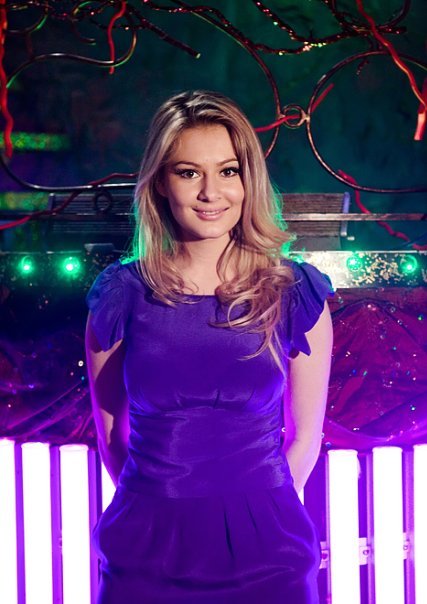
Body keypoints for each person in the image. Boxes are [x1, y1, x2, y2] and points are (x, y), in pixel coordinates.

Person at [85, 90, 334, 604]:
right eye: (188, 172)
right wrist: (155, 505)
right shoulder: (120, 294)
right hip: (146, 549)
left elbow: (306, 439)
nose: (210, 193)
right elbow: (112, 438)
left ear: (248, 180)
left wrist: (258, 513)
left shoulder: (294, 293)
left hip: (268, 551)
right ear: (160, 182)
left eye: (228, 171)